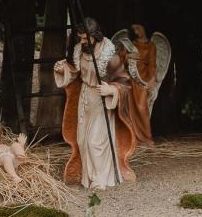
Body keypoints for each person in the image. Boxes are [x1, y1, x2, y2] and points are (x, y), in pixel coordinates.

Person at [54, 18, 150, 188]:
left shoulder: (109, 55)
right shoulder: (79, 51)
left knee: (95, 142)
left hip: (102, 100)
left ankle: (101, 179)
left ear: (95, 35)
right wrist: (64, 70)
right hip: (85, 98)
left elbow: (125, 83)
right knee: (83, 140)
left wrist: (112, 90)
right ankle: (88, 177)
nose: (82, 42)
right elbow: (76, 73)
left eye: (85, 38)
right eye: (80, 38)